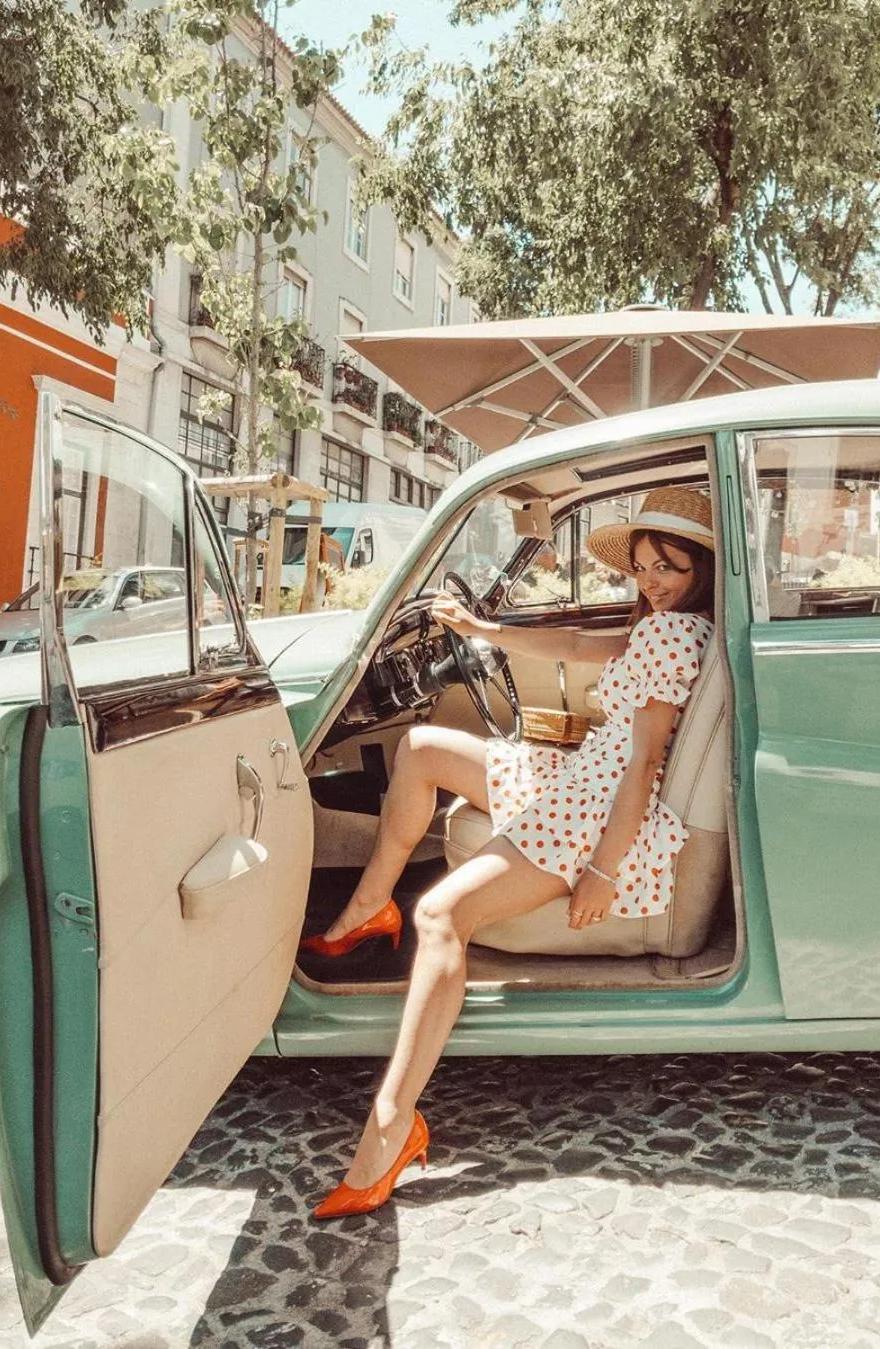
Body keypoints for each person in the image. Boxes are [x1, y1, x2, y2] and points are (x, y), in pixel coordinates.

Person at [303, 486, 716, 1219]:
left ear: (702, 571)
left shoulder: (677, 635)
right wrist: (481, 627)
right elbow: (571, 644)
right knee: (422, 747)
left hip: (592, 811)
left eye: (670, 568)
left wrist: (601, 869)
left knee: (439, 916)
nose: (652, 581)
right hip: (575, 777)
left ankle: (391, 1128)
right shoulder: (659, 624)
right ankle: (366, 913)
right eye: (646, 566)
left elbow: (644, 764)